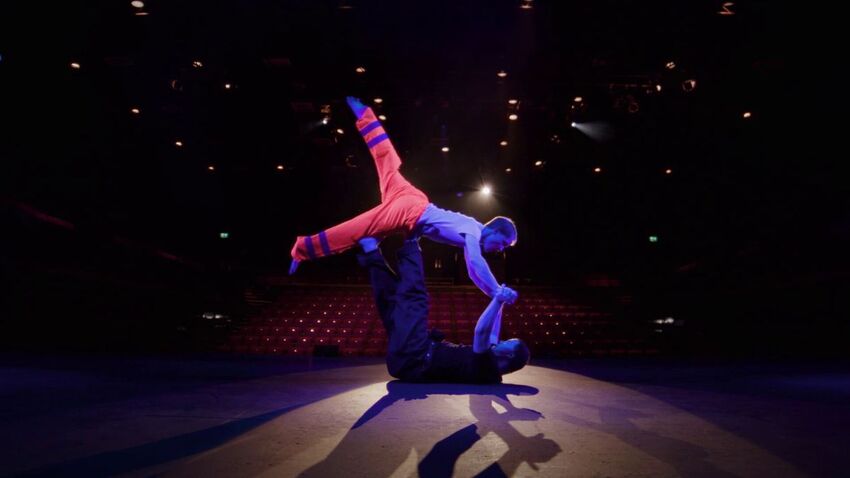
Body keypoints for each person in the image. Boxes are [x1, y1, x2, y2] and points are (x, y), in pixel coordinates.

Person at [289, 97, 517, 299]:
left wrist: (495, 295)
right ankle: (303, 249)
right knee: (358, 229)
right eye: (503, 243)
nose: (500, 249)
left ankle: (365, 114)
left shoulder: (472, 235)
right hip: (410, 211)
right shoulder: (474, 230)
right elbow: (477, 263)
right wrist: (497, 289)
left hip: (413, 199)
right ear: (495, 230)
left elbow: (472, 272)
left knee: (387, 162)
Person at [356, 235, 528, 383]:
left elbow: (482, 332)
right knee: (394, 305)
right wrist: (500, 299)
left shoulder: (488, 369)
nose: (502, 341)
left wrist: (498, 300)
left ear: (510, 356)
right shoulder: (490, 362)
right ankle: (370, 250)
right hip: (408, 359)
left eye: (507, 343)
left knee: (416, 301)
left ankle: (411, 240)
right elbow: (492, 334)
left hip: (415, 356)